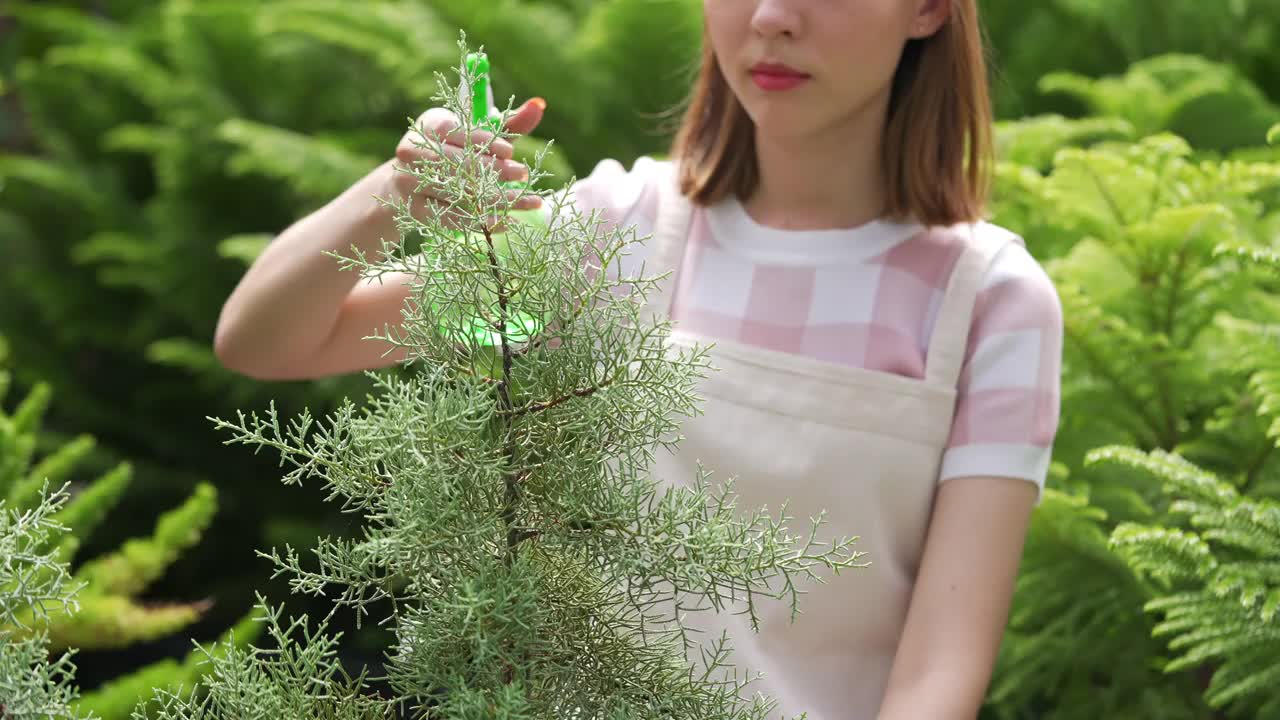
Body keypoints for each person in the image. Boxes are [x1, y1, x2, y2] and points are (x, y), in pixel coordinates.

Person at [214, 0, 1062, 717]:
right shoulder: (612, 236)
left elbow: (939, 674)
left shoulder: (986, 304)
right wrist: (397, 189)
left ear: (929, 9)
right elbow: (272, 339)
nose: (771, 19)